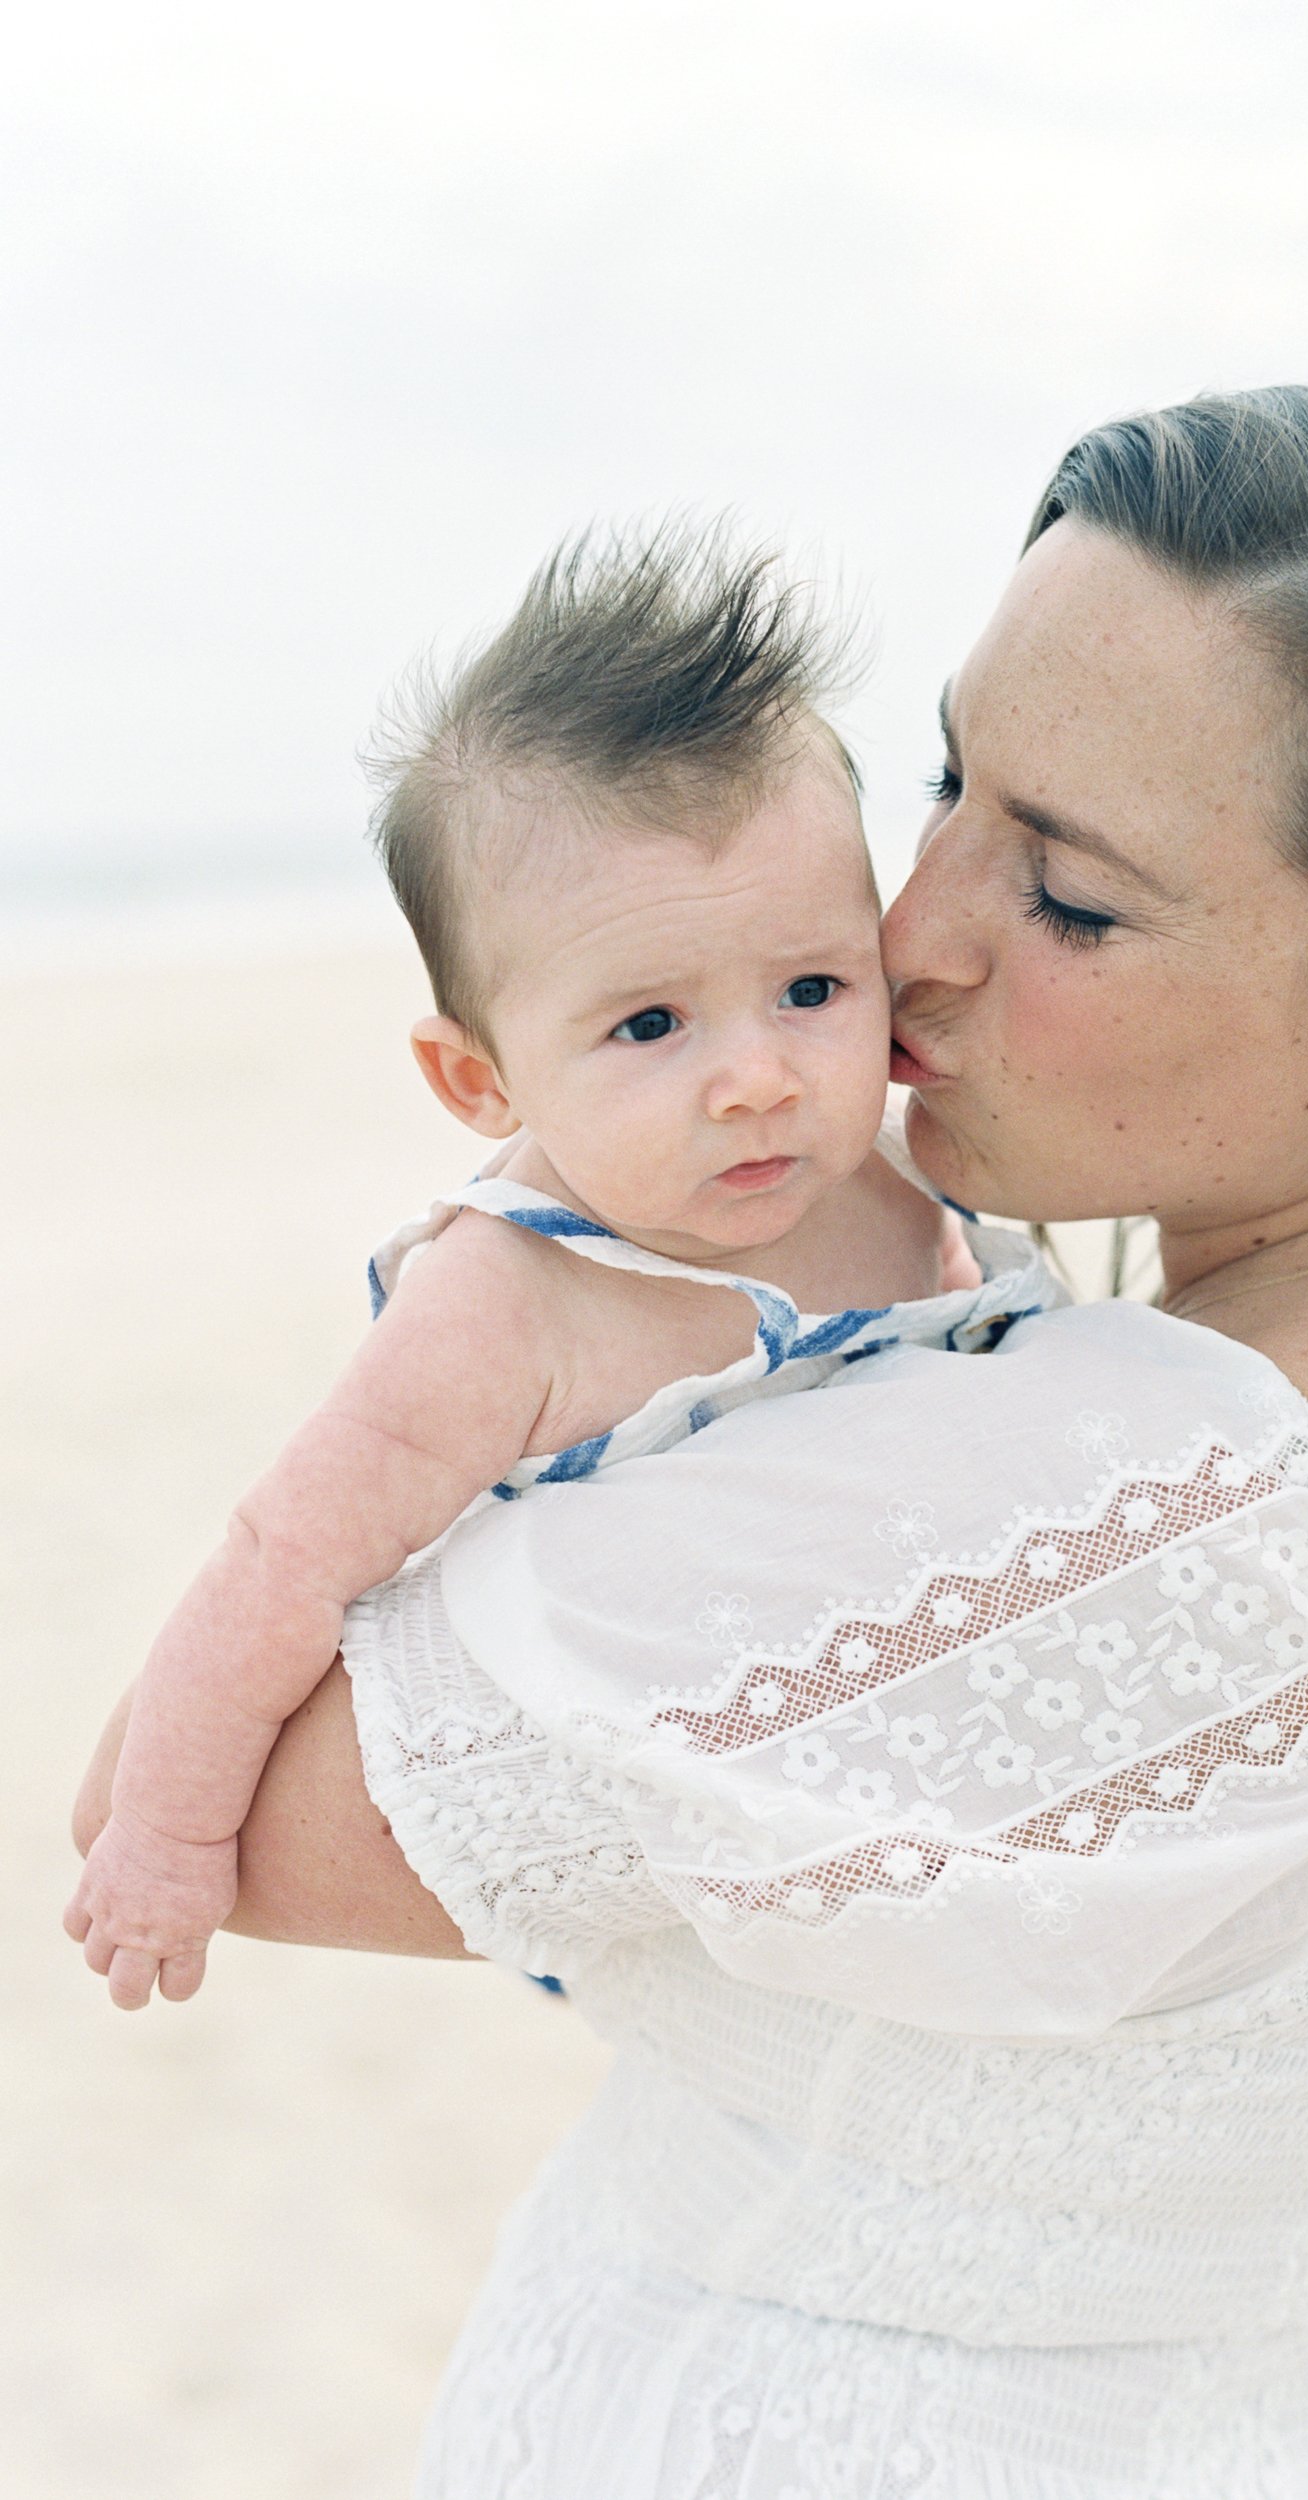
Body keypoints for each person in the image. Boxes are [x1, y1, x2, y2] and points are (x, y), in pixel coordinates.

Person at [76, 384, 1308, 2497]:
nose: (910, 933)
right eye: (952, 780)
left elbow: (213, 1809)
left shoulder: (1133, 1491)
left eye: (1075, 899)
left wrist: (557, 1323)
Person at [64, 525, 1026, 2012]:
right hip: (658, 1804)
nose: (759, 1077)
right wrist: (168, 1833)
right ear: (479, 1082)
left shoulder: (893, 1162)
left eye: (813, 987)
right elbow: (282, 1565)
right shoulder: (504, 1304)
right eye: (652, 1026)